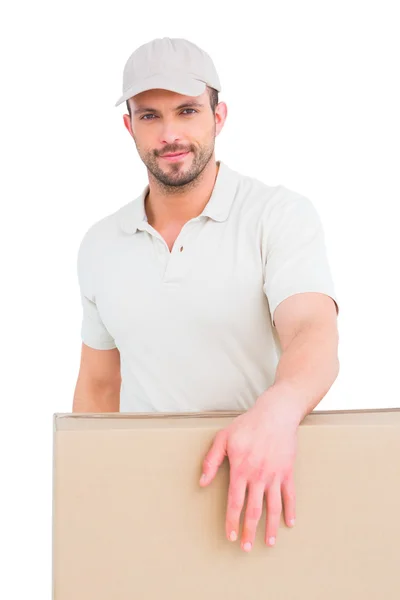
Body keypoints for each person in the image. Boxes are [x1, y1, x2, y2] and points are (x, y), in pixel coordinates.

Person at [72, 37, 340, 552]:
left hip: (263, 493)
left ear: (219, 117)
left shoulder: (276, 215)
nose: (170, 134)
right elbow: (99, 388)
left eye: (187, 111)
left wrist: (277, 411)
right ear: (129, 127)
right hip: (146, 500)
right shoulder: (100, 244)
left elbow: (313, 330)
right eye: (150, 116)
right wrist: (90, 499)